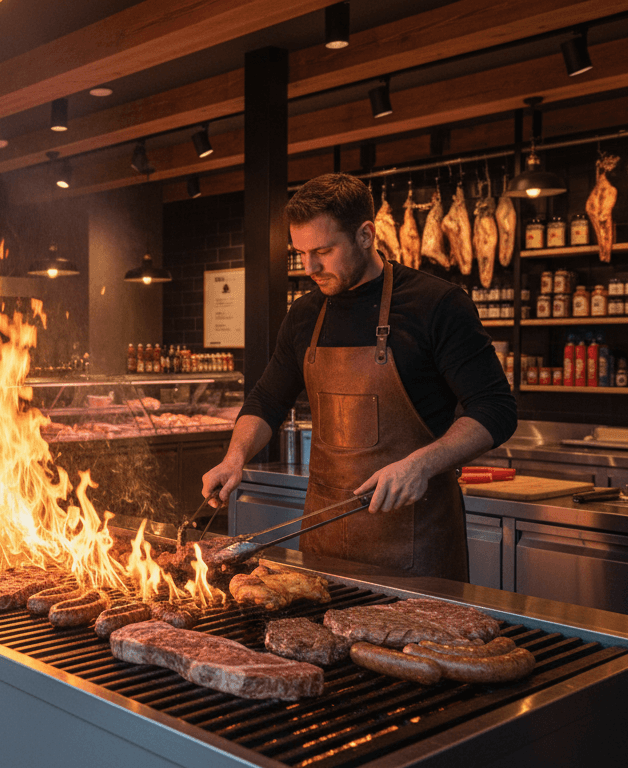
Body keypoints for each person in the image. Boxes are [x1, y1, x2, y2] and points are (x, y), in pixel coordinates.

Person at [201, 173, 516, 580]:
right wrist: (235, 457)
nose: (309, 266)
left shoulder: (436, 304)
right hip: (324, 542)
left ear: (365, 235)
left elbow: (496, 409)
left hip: (418, 546)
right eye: (300, 252)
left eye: (324, 251)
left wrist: (420, 465)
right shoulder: (304, 315)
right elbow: (267, 400)